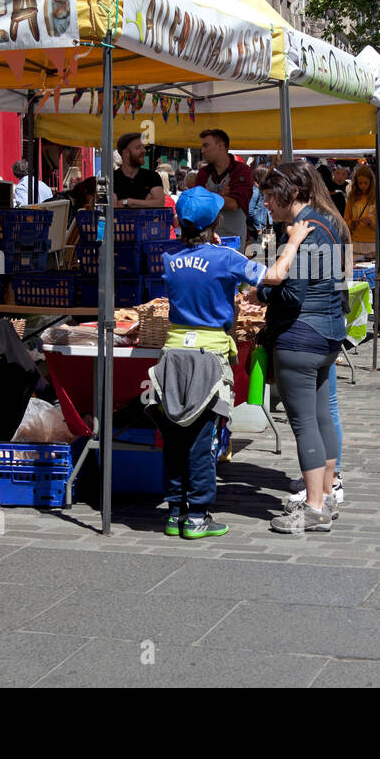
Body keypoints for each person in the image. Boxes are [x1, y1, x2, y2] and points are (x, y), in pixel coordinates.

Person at [152, 186, 314, 539]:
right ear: (217, 222)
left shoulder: (168, 257)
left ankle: (175, 511)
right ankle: (197, 516)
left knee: (174, 437)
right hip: (208, 356)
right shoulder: (225, 257)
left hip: (172, 353)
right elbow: (273, 277)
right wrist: (294, 242)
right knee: (202, 438)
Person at [254, 163, 349, 533]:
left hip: (300, 335)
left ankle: (312, 508)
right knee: (322, 416)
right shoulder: (327, 223)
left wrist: (261, 290)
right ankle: (325, 497)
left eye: (269, 197)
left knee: (304, 422)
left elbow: (292, 294)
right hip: (327, 335)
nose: (265, 204)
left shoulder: (305, 233)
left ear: (290, 194)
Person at [189, 129, 252, 247]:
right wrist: (222, 197)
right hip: (207, 239)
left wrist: (207, 195)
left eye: (206, 146)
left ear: (221, 146)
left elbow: (233, 204)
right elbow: (196, 203)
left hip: (233, 241)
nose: (202, 151)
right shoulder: (203, 173)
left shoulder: (241, 170)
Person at [112, 132, 165, 208]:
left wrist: (128, 202)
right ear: (126, 153)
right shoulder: (112, 178)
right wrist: (147, 203)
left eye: (143, 147)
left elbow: (160, 204)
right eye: (138, 147)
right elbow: (113, 208)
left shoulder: (152, 176)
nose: (144, 151)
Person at [343, 164, 380, 263]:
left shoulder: (378, 199)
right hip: (355, 242)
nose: (363, 186)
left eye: (366, 183)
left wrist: (371, 222)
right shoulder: (352, 198)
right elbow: (345, 220)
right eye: (360, 183)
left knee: (372, 275)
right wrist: (352, 223)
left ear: (371, 182)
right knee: (352, 274)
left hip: (372, 243)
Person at [247, 164, 272, 243]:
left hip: (264, 228)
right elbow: (250, 211)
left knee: (268, 252)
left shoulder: (260, 190)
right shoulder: (255, 191)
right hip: (257, 230)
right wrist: (258, 227)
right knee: (260, 253)